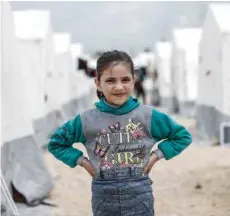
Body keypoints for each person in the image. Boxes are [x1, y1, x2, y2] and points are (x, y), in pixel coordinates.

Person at [48, 50, 192, 216]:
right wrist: (82, 161)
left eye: (125, 80)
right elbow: (56, 143)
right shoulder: (86, 120)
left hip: (139, 194)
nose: (118, 87)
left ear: (133, 80)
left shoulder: (147, 116)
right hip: (103, 195)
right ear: (97, 83)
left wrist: (156, 156)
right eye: (110, 81)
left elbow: (182, 136)